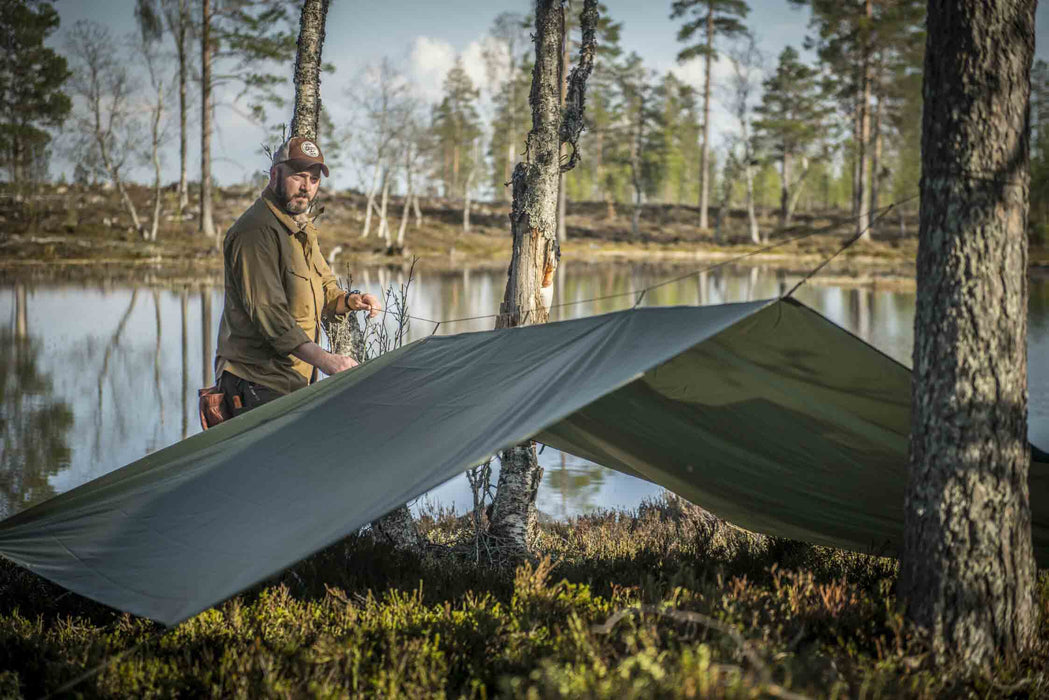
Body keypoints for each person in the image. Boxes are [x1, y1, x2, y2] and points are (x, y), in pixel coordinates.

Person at [212, 136, 381, 415]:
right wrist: (326, 360)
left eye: (314, 180)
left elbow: (325, 288)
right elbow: (269, 315)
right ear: (275, 174)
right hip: (255, 384)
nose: (306, 187)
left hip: (290, 384)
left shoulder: (300, 229)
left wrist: (352, 300)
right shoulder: (255, 231)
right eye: (298, 176)